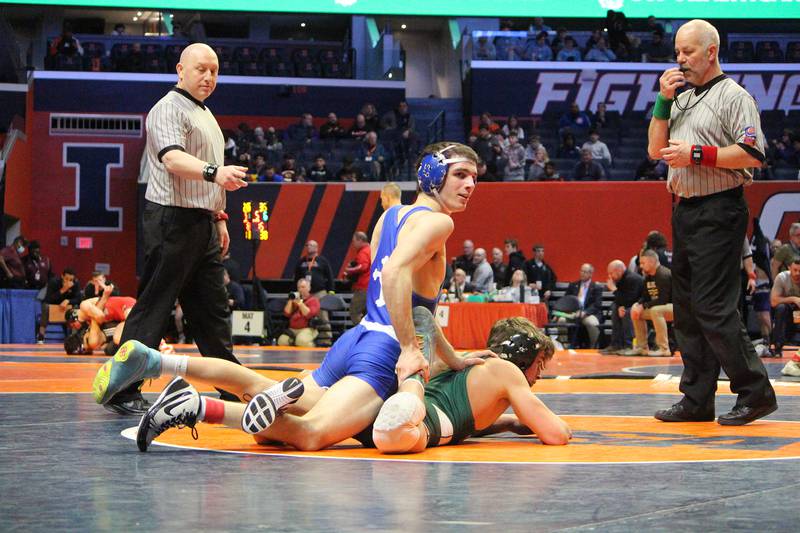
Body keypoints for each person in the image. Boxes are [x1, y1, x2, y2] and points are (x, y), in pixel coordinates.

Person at [96, 142, 481, 452]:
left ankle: (157, 361)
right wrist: (410, 349)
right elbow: (396, 273)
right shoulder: (439, 222)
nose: (469, 186)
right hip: (382, 352)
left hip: (356, 339)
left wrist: (453, 358)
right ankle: (195, 407)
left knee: (260, 383)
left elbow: (410, 305)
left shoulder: (391, 215)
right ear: (432, 174)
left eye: (474, 179)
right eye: (460, 175)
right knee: (309, 433)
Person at [94, 43, 249, 416]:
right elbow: (173, 160)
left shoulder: (207, 114)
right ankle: (122, 387)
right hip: (171, 220)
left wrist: (219, 218)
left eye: (214, 70)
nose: (209, 77)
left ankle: (231, 385)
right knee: (155, 306)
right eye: (201, 69)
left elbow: (210, 172)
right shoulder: (166, 108)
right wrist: (215, 174)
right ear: (181, 70)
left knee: (212, 312)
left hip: (202, 222)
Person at [648, 19, 777, 425]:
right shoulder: (681, 99)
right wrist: (662, 102)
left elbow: (754, 154)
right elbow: (656, 149)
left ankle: (755, 392)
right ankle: (697, 399)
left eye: (687, 52)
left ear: (711, 53)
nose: (680, 60)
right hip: (685, 209)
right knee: (686, 310)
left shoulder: (735, 96)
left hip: (720, 208)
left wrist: (698, 155)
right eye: (676, 53)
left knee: (713, 307)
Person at [372, 314, 571, 453]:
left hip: (381, 415)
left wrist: (508, 424)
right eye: (539, 364)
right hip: (418, 427)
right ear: (522, 359)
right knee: (413, 432)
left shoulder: (466, 361)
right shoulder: (507, 371)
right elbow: (556, 435)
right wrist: (563, 427)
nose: (540, 375)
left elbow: (467, 418)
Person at [622, 250, 673, 357]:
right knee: (635, 310)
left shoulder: (663, 274)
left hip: (677, 308)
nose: (640, 266)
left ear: (652, 261)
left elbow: (664, 299)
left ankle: (664, 349)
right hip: (659, 307)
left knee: (656, 310)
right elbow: (645, 296)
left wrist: (644, 306)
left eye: (643, 263)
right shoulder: (648, 276)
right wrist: (638, 305)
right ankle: (642, 347)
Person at [66, 286, 135, 354]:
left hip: (126, 307)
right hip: (122, 317)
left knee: (117, 338)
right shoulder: (89, 322)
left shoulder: (84, 306)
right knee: (111, 347)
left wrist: (104, 297)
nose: (76, 327)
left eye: (73, 325)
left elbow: (100, 316)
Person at [602, 260, 643, 354]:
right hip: (629, 304)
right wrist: (620, 306)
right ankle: (615, 344)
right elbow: (621, 298)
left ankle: (628, 345)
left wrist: (613, 289)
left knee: (627, 312)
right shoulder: (621, 279)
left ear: (619, 270)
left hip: (639, 305)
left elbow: (631, 298)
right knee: (615, 308)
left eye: (611, 273)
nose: (610, 276)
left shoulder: (632, 278)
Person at [562, 264, 603, 348]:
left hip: (588, 314)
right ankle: (564, 345)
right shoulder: (573, 285)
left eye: (585, 272)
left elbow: (597, 305)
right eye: (581, 271)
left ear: (591, 274)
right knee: (561, 320)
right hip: (573, 313)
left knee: (591, 323)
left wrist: (585, 312)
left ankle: (594, 346)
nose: (582, 273)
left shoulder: (596, 287)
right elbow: (566, 300)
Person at [37, 268, 81, 343]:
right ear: (62, 276)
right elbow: (48, 299)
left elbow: (78, 299)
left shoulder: (75, 284)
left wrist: (68, 301)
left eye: (71, 280)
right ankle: (41, 336)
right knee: (45, 306)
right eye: (66, 279)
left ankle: (74, 337)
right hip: (53, 306)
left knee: (76, 308)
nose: (68, 281)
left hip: (67, 308)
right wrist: (63, 290)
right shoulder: (54, 282)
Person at [770, 258, 800, 357]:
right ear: (789, 268)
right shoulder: (782, 277)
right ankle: (778, 347)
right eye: (795, 270)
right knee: (781, 308)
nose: (797, 274)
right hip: (789, 312)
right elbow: (773, 302)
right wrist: (793, 299)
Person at [277, 278, 320, 347]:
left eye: (303, 287)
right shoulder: (295, 299)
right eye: (299, 287)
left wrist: (300, 303)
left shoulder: (314, 300)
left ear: (309, 288)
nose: (300, 289)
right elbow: (286, 313)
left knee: (301, 341)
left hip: (307, 328)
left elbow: (309, 314)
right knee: (282, 341)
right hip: (292, 329)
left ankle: (312, 346)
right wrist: (290, 300)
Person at [344, 231, 371, 325]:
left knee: (354, 311)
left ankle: (361, 333)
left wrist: (349, 270)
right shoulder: (370, 249)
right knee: (368, 314)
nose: (353, 244)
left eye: (354, 241)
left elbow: (363, 266)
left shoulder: (363, 252)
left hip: (363, 287)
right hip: (371, 287)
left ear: (360, 240)